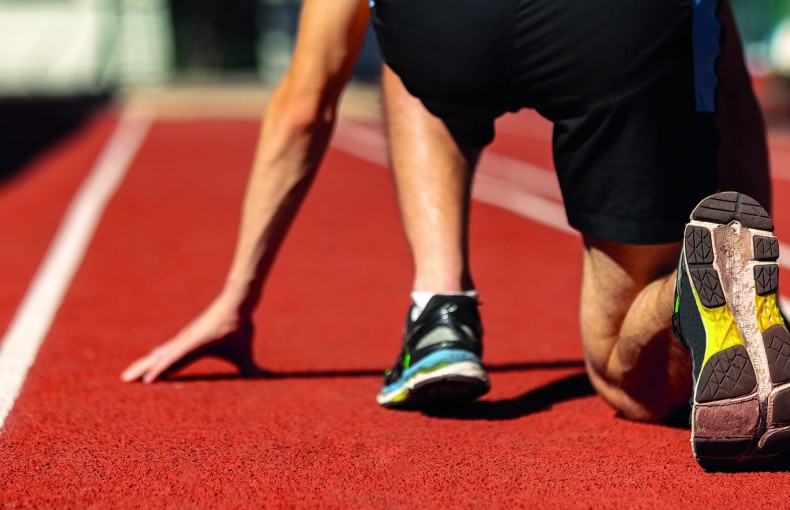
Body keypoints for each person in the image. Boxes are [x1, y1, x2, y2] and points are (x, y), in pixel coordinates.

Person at [122, 0, 778, 467]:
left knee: (397, 33)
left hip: (442, 26)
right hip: (613, 26)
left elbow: (303, 107)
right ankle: (692, 291)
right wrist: (755, 245)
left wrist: (236, 297)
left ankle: (439, 312)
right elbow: (730, 97)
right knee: (621, 370)